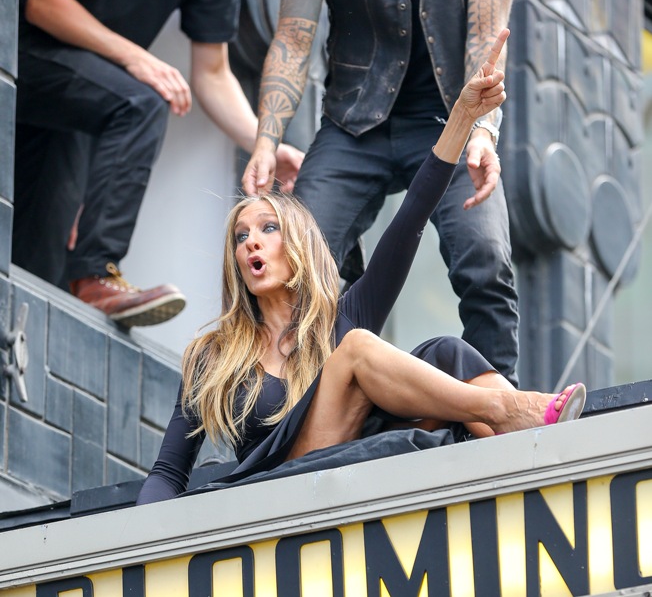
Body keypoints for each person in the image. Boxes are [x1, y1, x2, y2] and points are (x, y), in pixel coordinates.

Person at [137, 31, 586, 505]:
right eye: (240, 237)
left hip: (344, 467)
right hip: (274, 493)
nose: (251, 243)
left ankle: (528, 474)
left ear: (300, 246)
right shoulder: (213, 353)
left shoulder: (339, 318)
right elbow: (169, 470)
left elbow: (411, 215)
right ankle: (510, 409)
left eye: (267, 229)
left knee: (446, 350)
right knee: (355, 350)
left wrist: (462, 117)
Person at [242, 0, 520, 384]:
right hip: (352, 126)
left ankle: (499, 410)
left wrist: (483, 130)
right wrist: (265, 142)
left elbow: (487, 32)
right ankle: (301, 413)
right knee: (293, 262)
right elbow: (293, 40)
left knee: (484, 258)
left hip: (451, 121)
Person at [12, 0, 304, 328]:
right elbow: (42, 0)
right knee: (143, 102)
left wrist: (265, 145)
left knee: (36, 265)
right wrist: (136, 59)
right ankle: (96, 276)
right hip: (22, 50)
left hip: (79, 102)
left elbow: (212, 74)